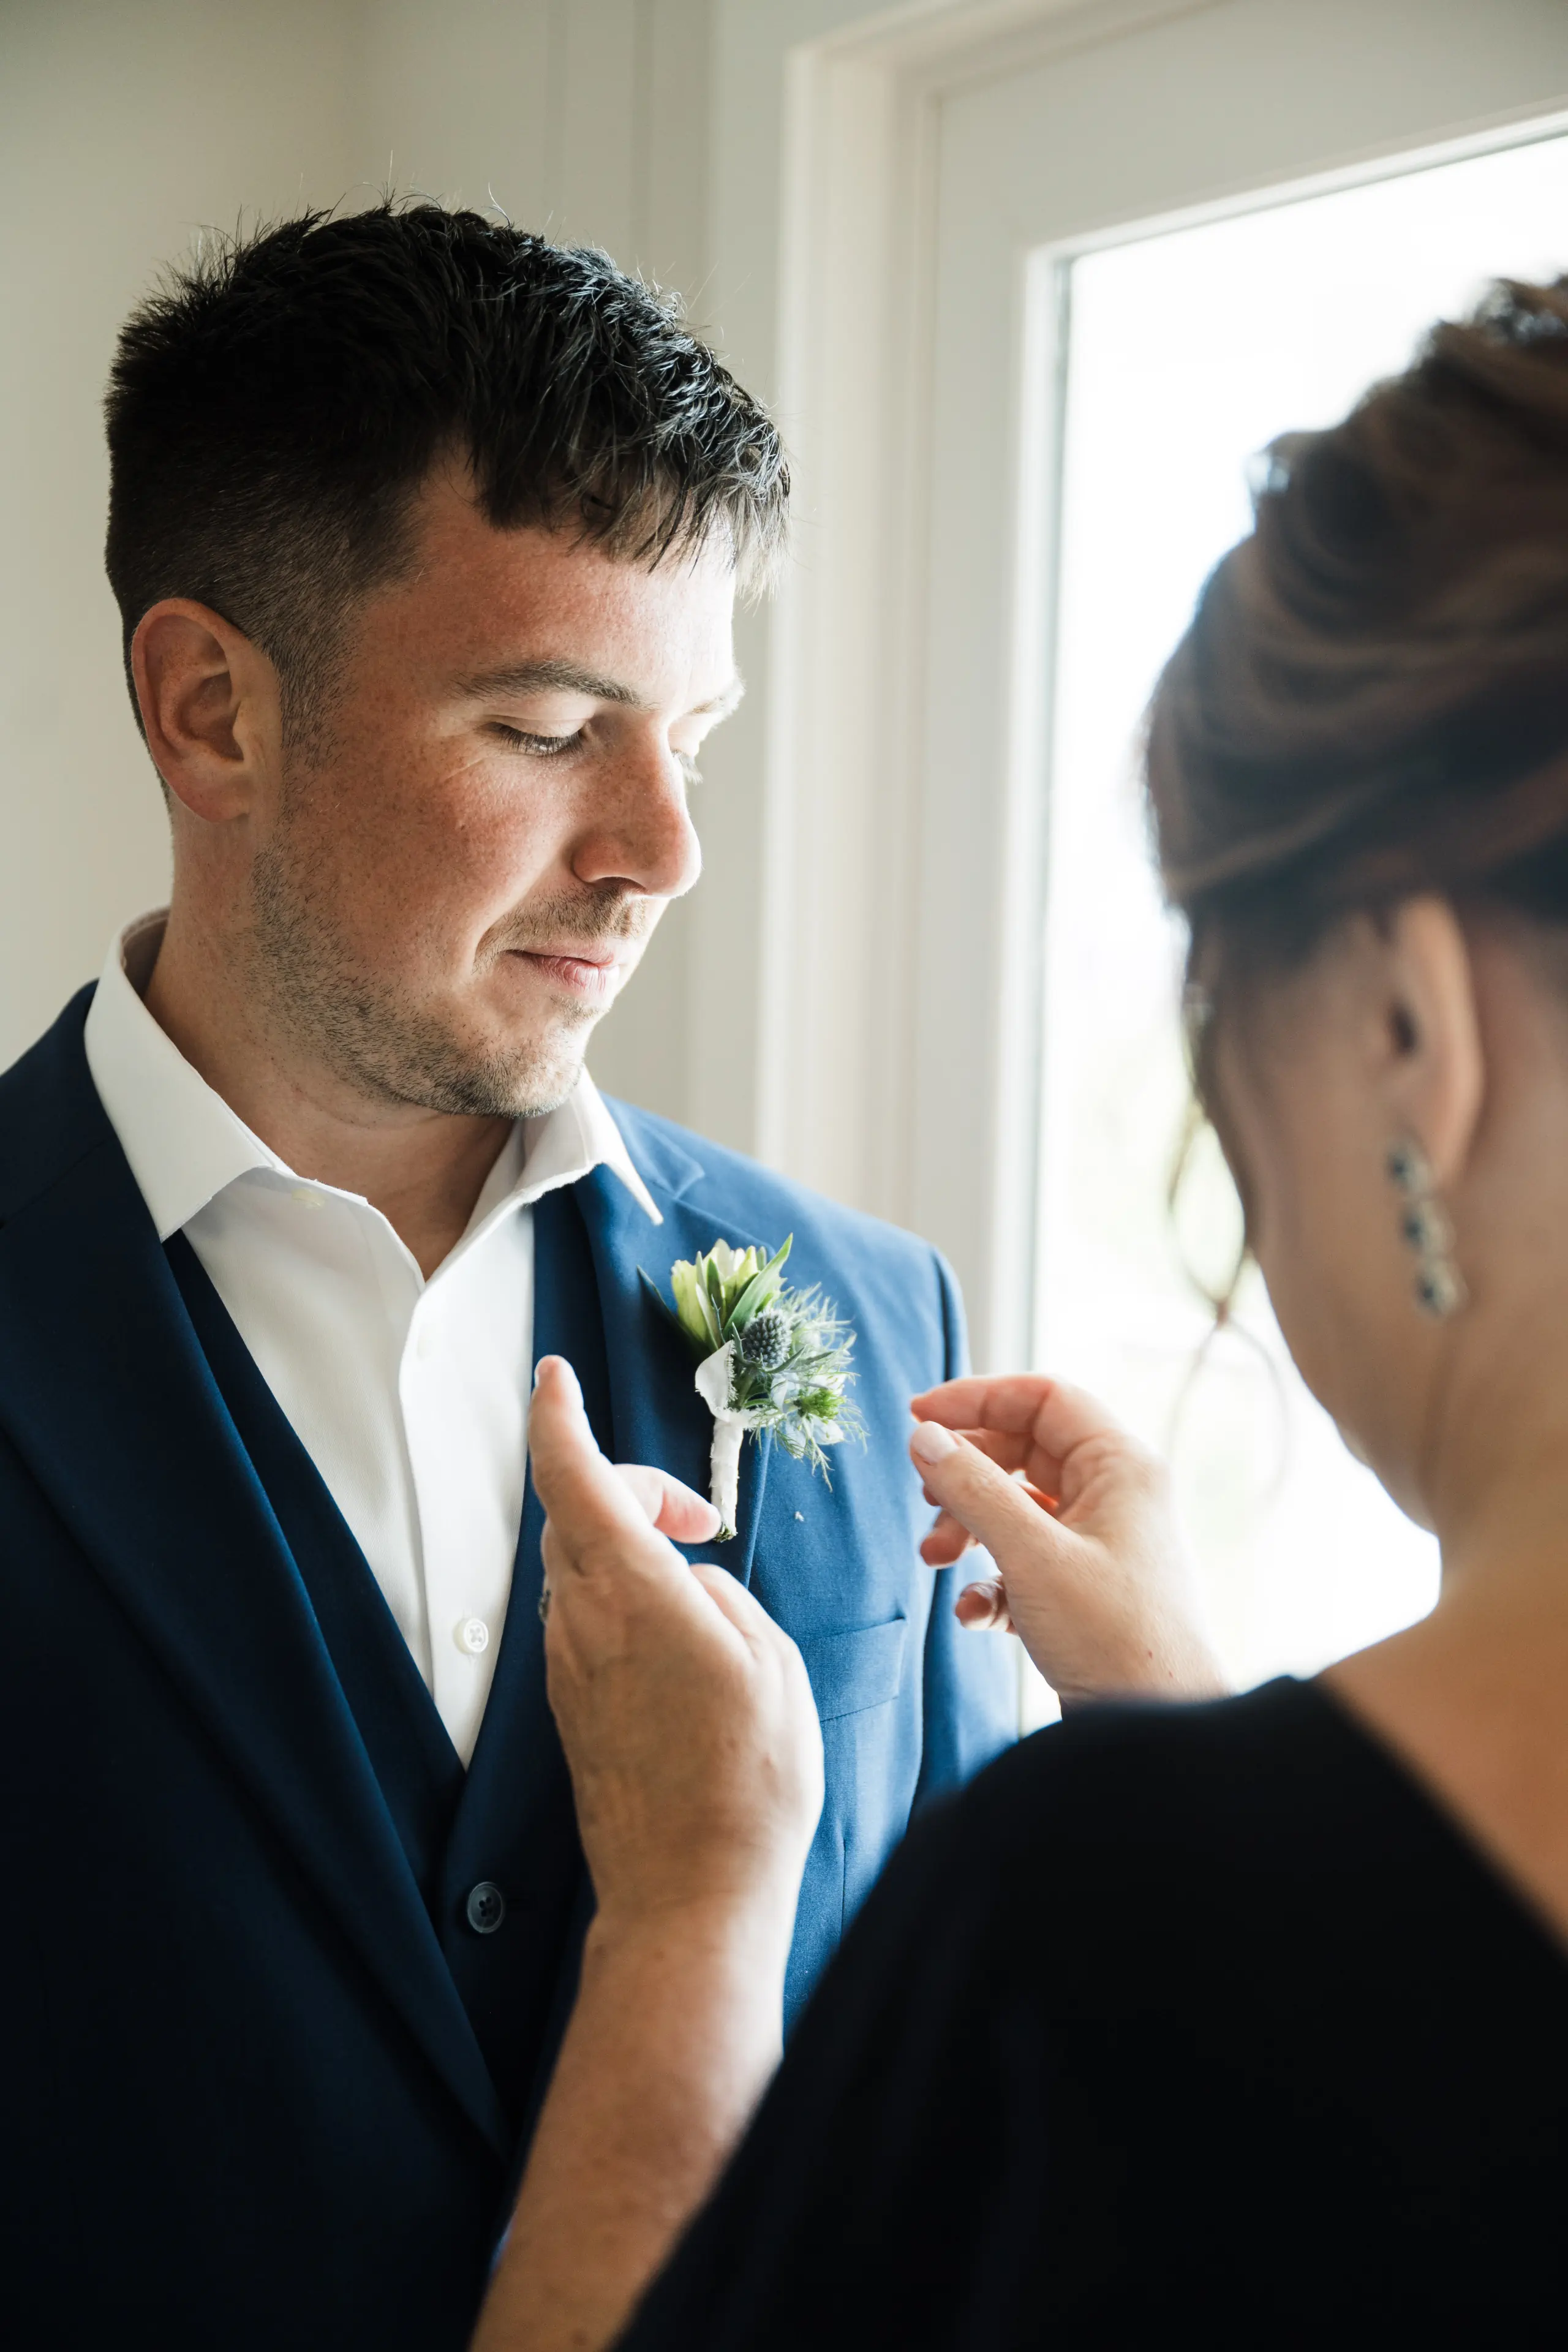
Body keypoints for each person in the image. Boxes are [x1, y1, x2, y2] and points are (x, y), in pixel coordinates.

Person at [0, 202, 1218, 2349]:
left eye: (696, 736)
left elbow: (981, 2120)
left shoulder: (867, 1307)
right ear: (210, 711)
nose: (663, 847)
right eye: (553, 727)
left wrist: (1181, 1755)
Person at [473, 276, 1568, 2348]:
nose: (666, 851)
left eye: (1225, 1008)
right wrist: (1197, 1728)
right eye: (540, 729)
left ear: (1416, 1028)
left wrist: (703, 1906)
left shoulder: (1093, 1917)